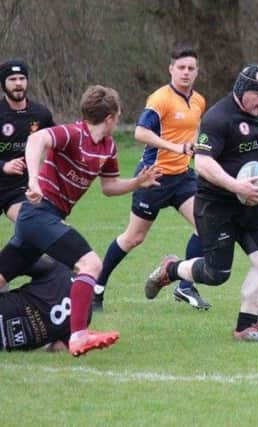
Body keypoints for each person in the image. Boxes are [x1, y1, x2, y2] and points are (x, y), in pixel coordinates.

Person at [0, 85, 161, 356]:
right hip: (38, 214)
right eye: (118, 113)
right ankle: (78, 336)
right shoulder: (73, 133)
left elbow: (108, 187)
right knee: (90, 263)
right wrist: (33, 180)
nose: (119, 117)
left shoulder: (108, 147)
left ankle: (74, 335)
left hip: (42, 220)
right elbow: (37, 139)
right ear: (110, 117)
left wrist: (138, 183)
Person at [144, 64, 258, 341]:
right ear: (241, 91)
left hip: (253, 202)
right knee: (216, 274)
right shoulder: (219, 116)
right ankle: (171, 268)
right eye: (257, 95)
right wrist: (235, 185)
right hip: (216, 204)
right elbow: (202, 162)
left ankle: (246, 327)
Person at [93, 44, 210, 311]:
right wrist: (175, 147)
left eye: (191, 68)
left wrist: (192, 146)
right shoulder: (160, 99)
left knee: (206, 225)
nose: (186, 72)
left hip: (182, 177)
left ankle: (184, 286)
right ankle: (97, 288)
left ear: (197, 72)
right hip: (152, 178)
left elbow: (195, 128)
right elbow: (140, 133)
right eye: (181, 67)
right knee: (134, 238)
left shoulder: (199, 100)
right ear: (171, 69)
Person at [0, 59, 54, 225]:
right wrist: (3, 166)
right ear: (3, 83)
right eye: (12, 79)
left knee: (35, 224)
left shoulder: (41, 114)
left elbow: (57, 142)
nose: (18, 84)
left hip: (19, 189)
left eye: (22, 79)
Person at [0, 256, 81, 352]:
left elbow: (15, 261)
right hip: (7, 345)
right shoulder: (86, 315)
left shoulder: (58, 269)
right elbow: (59, 347)